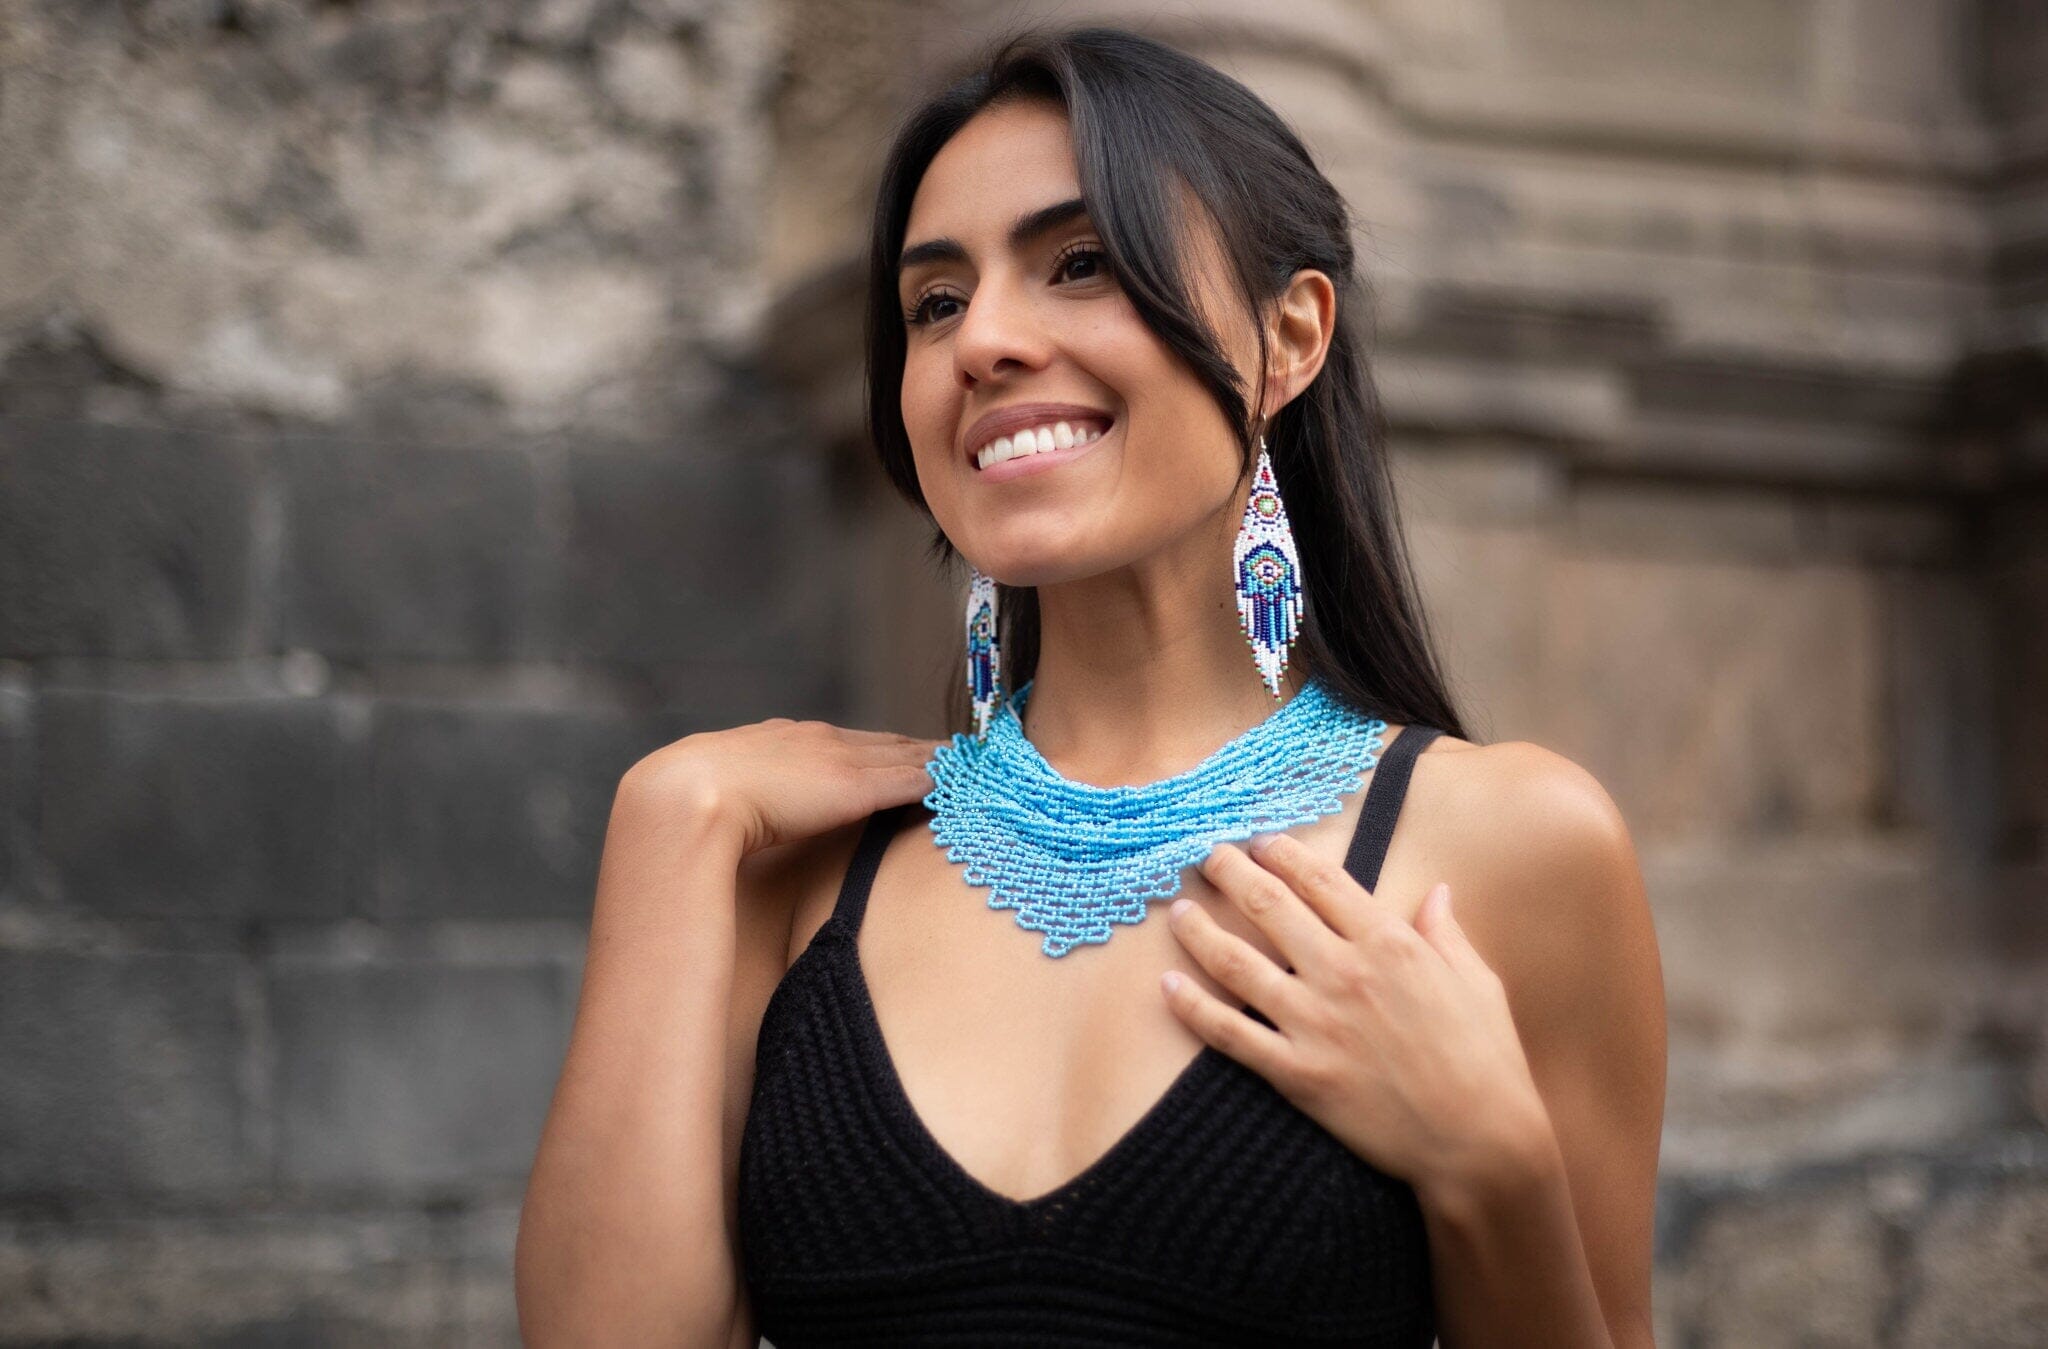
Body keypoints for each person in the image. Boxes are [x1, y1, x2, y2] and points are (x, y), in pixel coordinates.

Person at [516, 24, 1665, 1348]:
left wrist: (1493, 1167)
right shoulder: (795, 871)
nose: (984, 340)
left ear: (1288, 338)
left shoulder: (1511, 847)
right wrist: (674, 818)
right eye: (934, 302)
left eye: (1080, 263)